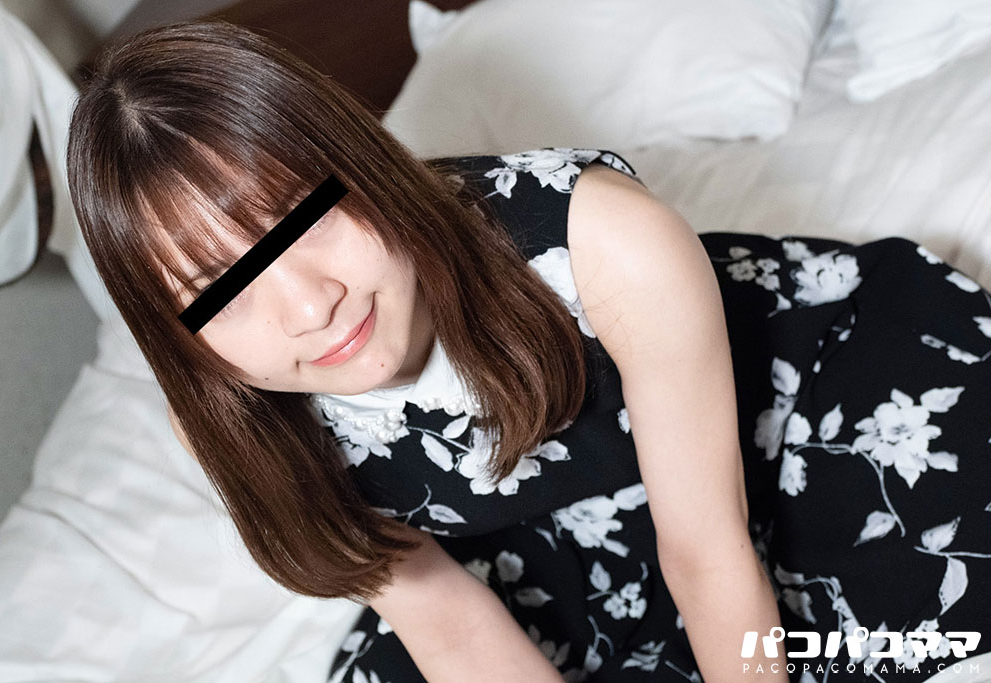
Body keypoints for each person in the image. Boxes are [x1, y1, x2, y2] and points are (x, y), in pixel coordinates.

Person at [65, 19, 991, 683]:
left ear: (366, 161)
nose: (311, 307)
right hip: (565, 529)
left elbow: (708, 553)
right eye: (223, 291)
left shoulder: (605, 244)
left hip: (795, 408)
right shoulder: (231, 416)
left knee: (905, 623)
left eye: (307, 220)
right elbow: (446, 619)